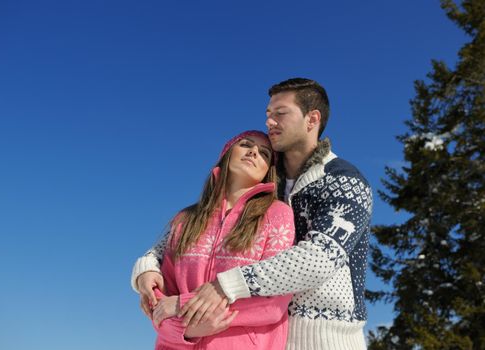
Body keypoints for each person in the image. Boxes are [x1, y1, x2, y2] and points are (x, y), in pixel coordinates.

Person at [135, 78, 373, 349]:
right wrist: (146, 267)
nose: (270, 122)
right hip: (272, 337)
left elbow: (319, 257)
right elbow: (182, 239)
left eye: (280, 114)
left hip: (326, 337)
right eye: (268, 115)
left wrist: (224, 286)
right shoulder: (265, 181)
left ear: (312, 119)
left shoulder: (344, 181)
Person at [132, 130, 296, 349]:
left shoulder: (276, 215)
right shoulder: (185, 219)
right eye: (246, 145)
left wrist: (184, 305)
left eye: (265, 154)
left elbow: (274, 301)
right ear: (227, 153)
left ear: (268, 171)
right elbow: (160, 305)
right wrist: (184, 330)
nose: (254, 152)